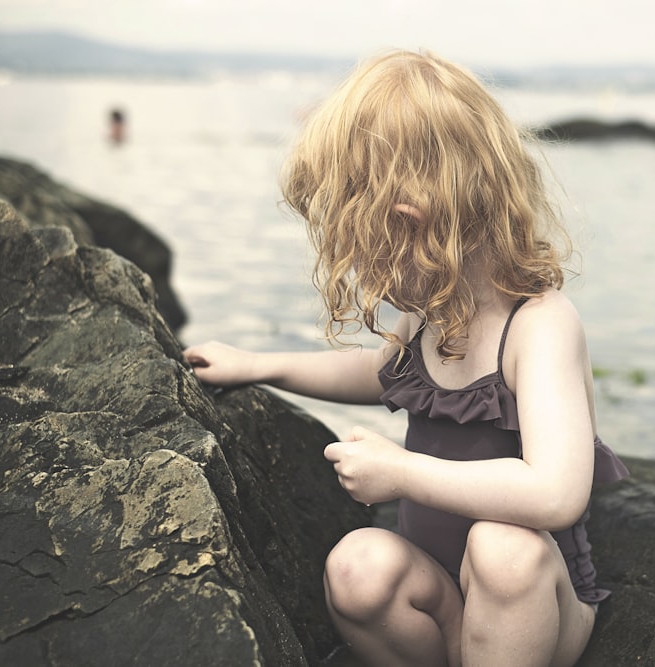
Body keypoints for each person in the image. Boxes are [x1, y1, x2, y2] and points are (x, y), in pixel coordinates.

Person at [183, 49, 628, 667]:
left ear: (409, 224)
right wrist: (260, 365)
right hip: (442, 596)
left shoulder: (540, 326)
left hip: (535, 606)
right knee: (357, 567)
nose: (364, 276)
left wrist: (402, 474)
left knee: (504, 550)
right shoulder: (431, 308)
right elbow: (382, 375)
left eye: (363, 255)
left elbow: (554, 494)